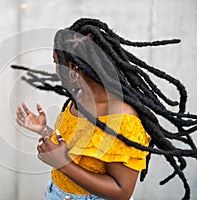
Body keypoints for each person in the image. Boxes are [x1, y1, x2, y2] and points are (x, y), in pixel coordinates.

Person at [14, 18, 197, 200]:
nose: (55, 71)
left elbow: (122, 191)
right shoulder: (78, 100)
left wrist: (63, 165)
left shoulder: (122, 118)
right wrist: (43, 130)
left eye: (57, 62)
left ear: (75, 69)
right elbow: (80, 149)